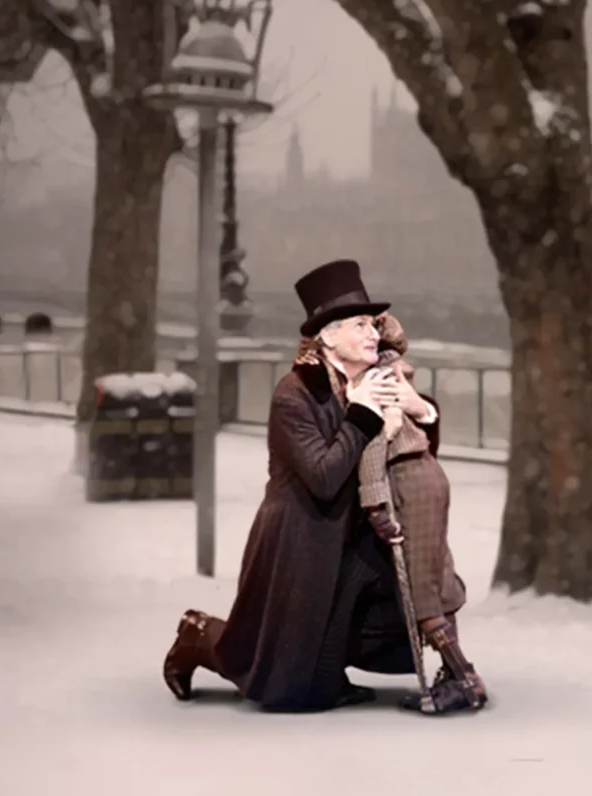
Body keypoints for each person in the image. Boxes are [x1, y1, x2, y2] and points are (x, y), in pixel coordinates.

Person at [160, 259, 442, 712]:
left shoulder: (377, 381)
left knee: (401, 605)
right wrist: (363, 415)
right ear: (327, 336)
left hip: (355, 536)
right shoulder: (294, 394)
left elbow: (416, 455)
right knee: (280, 686)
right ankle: (200, 636)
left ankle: (324, 667)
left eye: (373, 324)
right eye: (358, 325)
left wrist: (420, 409)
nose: (373, 333)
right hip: (301, 539)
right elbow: (323, 477)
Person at [358, 311, 488, 713]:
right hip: (426, 474)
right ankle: (456, 675)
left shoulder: (376, 379)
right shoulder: (395, 370)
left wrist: (374, 504)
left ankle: (464, 677)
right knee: (435, 572)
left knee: (420, 584)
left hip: (407, 478)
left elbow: (375, 443)